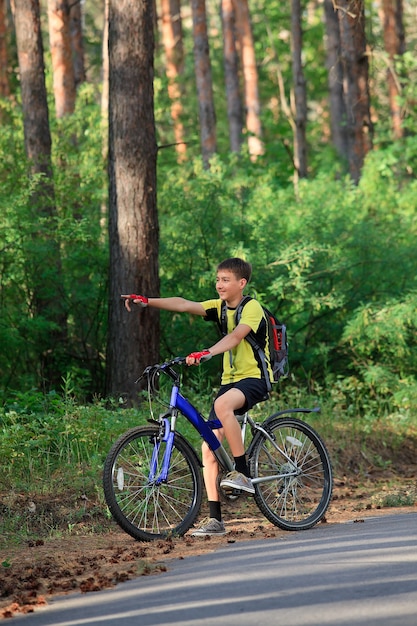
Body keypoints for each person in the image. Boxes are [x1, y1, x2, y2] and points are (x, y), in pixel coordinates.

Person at [122, 257, 272, 537]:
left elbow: (237, 337)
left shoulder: (251, 307)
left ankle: (242, 473)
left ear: (242, 283)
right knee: (209, 448)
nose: (219, 284)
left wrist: (207, 352)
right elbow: (183, 304)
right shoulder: (220, 308)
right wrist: (148, 301)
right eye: (217, 279)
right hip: (230, 381)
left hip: (255, 379)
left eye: (225, 280)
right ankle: (216, 521)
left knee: (222, 404)